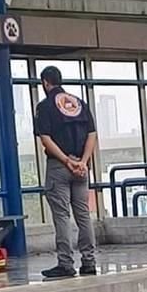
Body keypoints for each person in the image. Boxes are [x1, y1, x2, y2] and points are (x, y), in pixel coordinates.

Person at [34, 65, 98, 279]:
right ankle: (89, 262)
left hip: (59, 167)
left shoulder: (45, 107)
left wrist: (65, 161)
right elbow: (92, 134)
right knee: (83, 216)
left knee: (61, 216)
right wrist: (83, 162)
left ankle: (65, 264)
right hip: (81, 166)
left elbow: (46, 138)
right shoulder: (79, 104)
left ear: (45, 82)